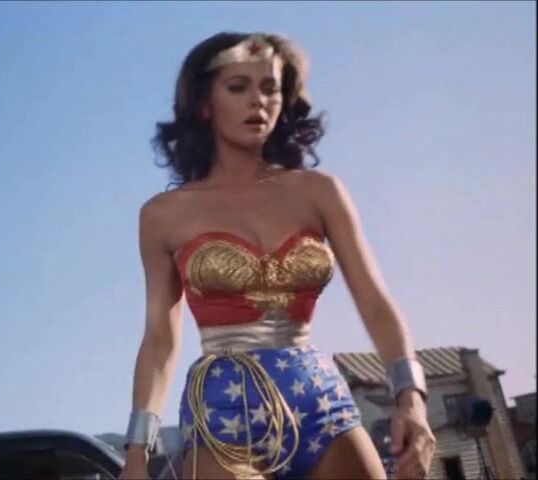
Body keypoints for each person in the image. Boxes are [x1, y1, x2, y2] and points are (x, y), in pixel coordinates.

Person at [118, 31, 436, 480]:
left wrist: (412, 399)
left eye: (270, 88)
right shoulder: (163, 216)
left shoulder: (320, 193)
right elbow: (159, 341)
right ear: (205, 104)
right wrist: (137, 452)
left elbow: (375, 303)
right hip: (225, 417)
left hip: (321, 405)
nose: (258, 101)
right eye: (238, 87)